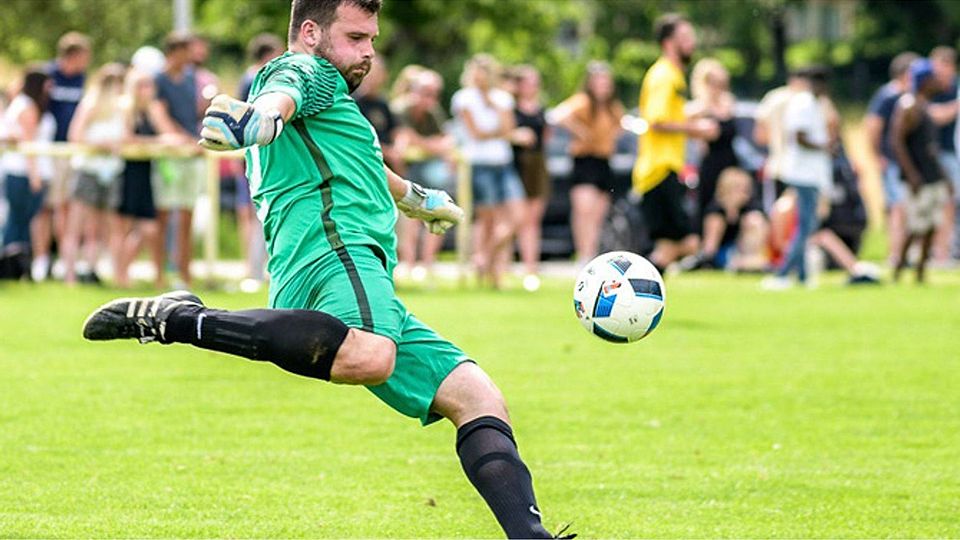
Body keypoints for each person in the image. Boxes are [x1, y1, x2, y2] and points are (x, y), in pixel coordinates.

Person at [83, 1, 569, 539]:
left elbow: (358, 158)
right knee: (373, 355)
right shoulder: (306, 70)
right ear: (311, 32)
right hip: (336, 253)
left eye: (372, 39)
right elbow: (282, 92)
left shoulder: (334, 98)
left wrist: (416, 197)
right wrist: (259, 116)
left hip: (352, 267)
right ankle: (179, 321)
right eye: (357, 37)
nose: (368, 53)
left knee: (476, 396)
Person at [633, 14, 718, 273]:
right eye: (685, 38)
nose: (691, 43)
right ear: (669, 43)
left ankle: (642, 294)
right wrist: (697, 128)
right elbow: (656, 121)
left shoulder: (672, 75)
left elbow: (668, 118)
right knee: (689, 243)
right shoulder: (664, 76)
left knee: (667, 247)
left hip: (663, 170)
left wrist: (695, 114)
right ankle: (628, 279)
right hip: (659, 170)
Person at [452, 54, 524, 289]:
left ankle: (484, 257)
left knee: (517, 216)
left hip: (503, 163)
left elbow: (509, 128)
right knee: (488, 219)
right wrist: (500, 130)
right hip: (480, 164)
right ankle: (490, 273)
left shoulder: (502, 98)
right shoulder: (463, 98)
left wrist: (495, 113)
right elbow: (476, 133)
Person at [761, 66, 832, 290]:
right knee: (806, 225)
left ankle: (802, 276)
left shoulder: (810, 103)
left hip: (808, 172)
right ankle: (783, 272)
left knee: (805, 224)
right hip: (803, 173)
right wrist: (825, 146)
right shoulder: (804, 102)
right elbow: (799, 136)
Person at [111, 69, 183, 289]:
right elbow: (125, 139)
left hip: (145, 173)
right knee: (122, 227)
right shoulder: (124, 109)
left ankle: (147, 276)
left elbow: (167, 132)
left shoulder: (150, 110)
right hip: (125, 173)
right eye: (142, 85)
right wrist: (158, 142)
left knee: (149, 229)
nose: (147, 90)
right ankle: (120, 276)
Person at [60, 63, 127, 285]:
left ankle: (92, 270)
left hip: (110, 172)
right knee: (76, 225)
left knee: (102, 228)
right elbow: (76, 135)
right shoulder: (90, 105)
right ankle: (69, 275)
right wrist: (102, 145)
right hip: (87, 170)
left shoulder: (121, 109)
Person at [553, 61, 624, 266]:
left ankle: (591, 253)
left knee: (598, 214)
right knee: (584, 209)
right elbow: (559, 115)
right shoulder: (582, 102)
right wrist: (581, 131)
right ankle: (583, 254)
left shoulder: (612, 108)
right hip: (585, 161)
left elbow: (621, 126)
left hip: (604, 162)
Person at [890, 58, 951, 283]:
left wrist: (944, 176)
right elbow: (897, 142)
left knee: (931, 225)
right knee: (915, 226)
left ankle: (920, 272)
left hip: (933, 176)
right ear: (925, 80)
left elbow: (931, 149)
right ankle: (898, 270)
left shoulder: (924, 106)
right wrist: (912, 173)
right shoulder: (909, 105)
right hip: (919, 178)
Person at [39, 32, 92, 280]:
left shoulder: (81, 79)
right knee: (50, 205)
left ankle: (64, 257)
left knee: (68, 206)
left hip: (72, 152)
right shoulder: (48, 75)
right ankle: (44, 257)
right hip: (50, 150)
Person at [393, 68, 455, 283]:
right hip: (405, 173)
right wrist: (432, 146)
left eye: (435, 93)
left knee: (440, 210)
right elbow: (403, 140)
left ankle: (428, 263)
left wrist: (425, 145)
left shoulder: (433, 112)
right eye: (427, 92)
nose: (431, 98)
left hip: (427, 172)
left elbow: (447, 142)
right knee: (408, 217)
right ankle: (409, 263)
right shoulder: (400, 109)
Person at [153, 31, 205, 288]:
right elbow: (159, 114)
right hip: (169, 155)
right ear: (175, 52)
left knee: (187, 215)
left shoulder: (190, 78)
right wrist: (181, 138)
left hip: (190, 153)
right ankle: (159, 275)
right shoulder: (159, 79)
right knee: (162, 216)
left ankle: (185, 274)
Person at [237, 33, 284, 291]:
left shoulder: (250, 78)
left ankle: (258, 270)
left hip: (256, 155)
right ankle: (255, 271)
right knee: (255, 215)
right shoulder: (256, 79)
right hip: (259, 156)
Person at [864, 51, 920, 268]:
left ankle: (906, 253)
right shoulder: (888, 95)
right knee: (898, 208)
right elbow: (872, 126)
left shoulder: (910, 96)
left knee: (907, 209)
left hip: (906, 163)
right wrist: (877, 156)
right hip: (893, 162)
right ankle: (896, 255)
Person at [2, 65, 56, 280]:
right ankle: (12, 266)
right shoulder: (28, 107)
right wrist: (35, 176)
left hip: (24, 171)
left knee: (19, 220)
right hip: (25, 173)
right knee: (19, 222)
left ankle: (16, 266)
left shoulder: (22, 103)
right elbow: (29, 145)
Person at [509, 65, 550, 291]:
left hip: (537, 165)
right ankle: (499, 264)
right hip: (517, 164)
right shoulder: (511, 108)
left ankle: (531, 268)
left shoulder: (541, 109)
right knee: (517, 218)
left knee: (533, 220)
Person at [689, 58, 738, 228]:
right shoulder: (698, 108)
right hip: (711, 165)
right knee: (711, 210)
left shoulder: (728, 103)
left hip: (730, 164)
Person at [699, 167, 767, 271]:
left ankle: (748, 261)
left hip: (742, 251)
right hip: (722, 252)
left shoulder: (750, 208)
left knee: (754, 219)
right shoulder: (716, 210)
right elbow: (710, 247)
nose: (744, 193)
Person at [928, 46, 959, 264]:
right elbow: (933, 115)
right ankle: (933, 252)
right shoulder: (928, 88)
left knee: (950, 203)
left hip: (951, 153)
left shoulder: (955, 87)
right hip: (931, 155)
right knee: (932, 205)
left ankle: (944, 251)